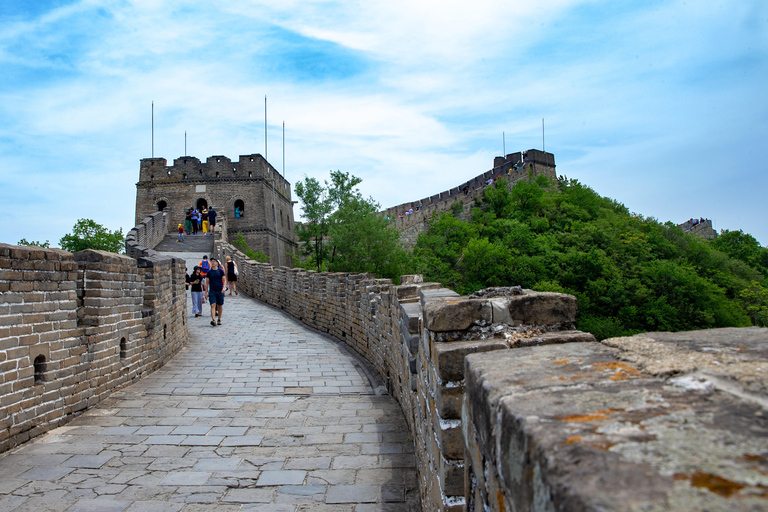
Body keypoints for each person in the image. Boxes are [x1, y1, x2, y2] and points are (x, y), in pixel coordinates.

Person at [205, 258, 227, 326]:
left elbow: (224, 280)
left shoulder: (220, 271)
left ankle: (219, 319)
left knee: (220, 305)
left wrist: (224, 288)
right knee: (212, 305)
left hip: (219, 291)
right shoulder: (209, 272)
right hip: (212, 291)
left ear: (217, 263)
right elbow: (207, 282)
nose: (213, 263)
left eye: (214, 261)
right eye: (212, 261)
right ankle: (213, 320)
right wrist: (206, 292)